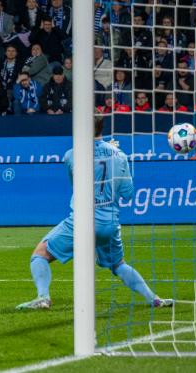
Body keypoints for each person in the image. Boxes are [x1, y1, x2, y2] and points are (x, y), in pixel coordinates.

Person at [16, 116, 173, 310]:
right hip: (110, 223)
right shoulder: (120, 155)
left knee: (40, 255)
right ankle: (154, 299)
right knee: (118, 265)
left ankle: (43, 298)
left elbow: (75, 185)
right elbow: (128, 194)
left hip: (83, 220)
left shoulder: (71, 155)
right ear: (102, 127)